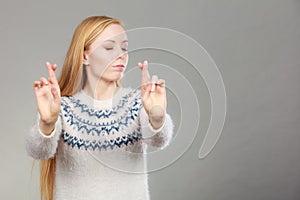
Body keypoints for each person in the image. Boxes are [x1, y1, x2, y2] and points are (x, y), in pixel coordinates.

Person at [25, 15, 174, 200]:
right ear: (85, 55)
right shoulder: (63, 109)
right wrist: (47, 124)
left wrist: (157, 116)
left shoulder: (137, 102)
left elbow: (159, 140)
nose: (121, 54)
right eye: (109, 47)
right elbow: (38, 151)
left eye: (124, 47)